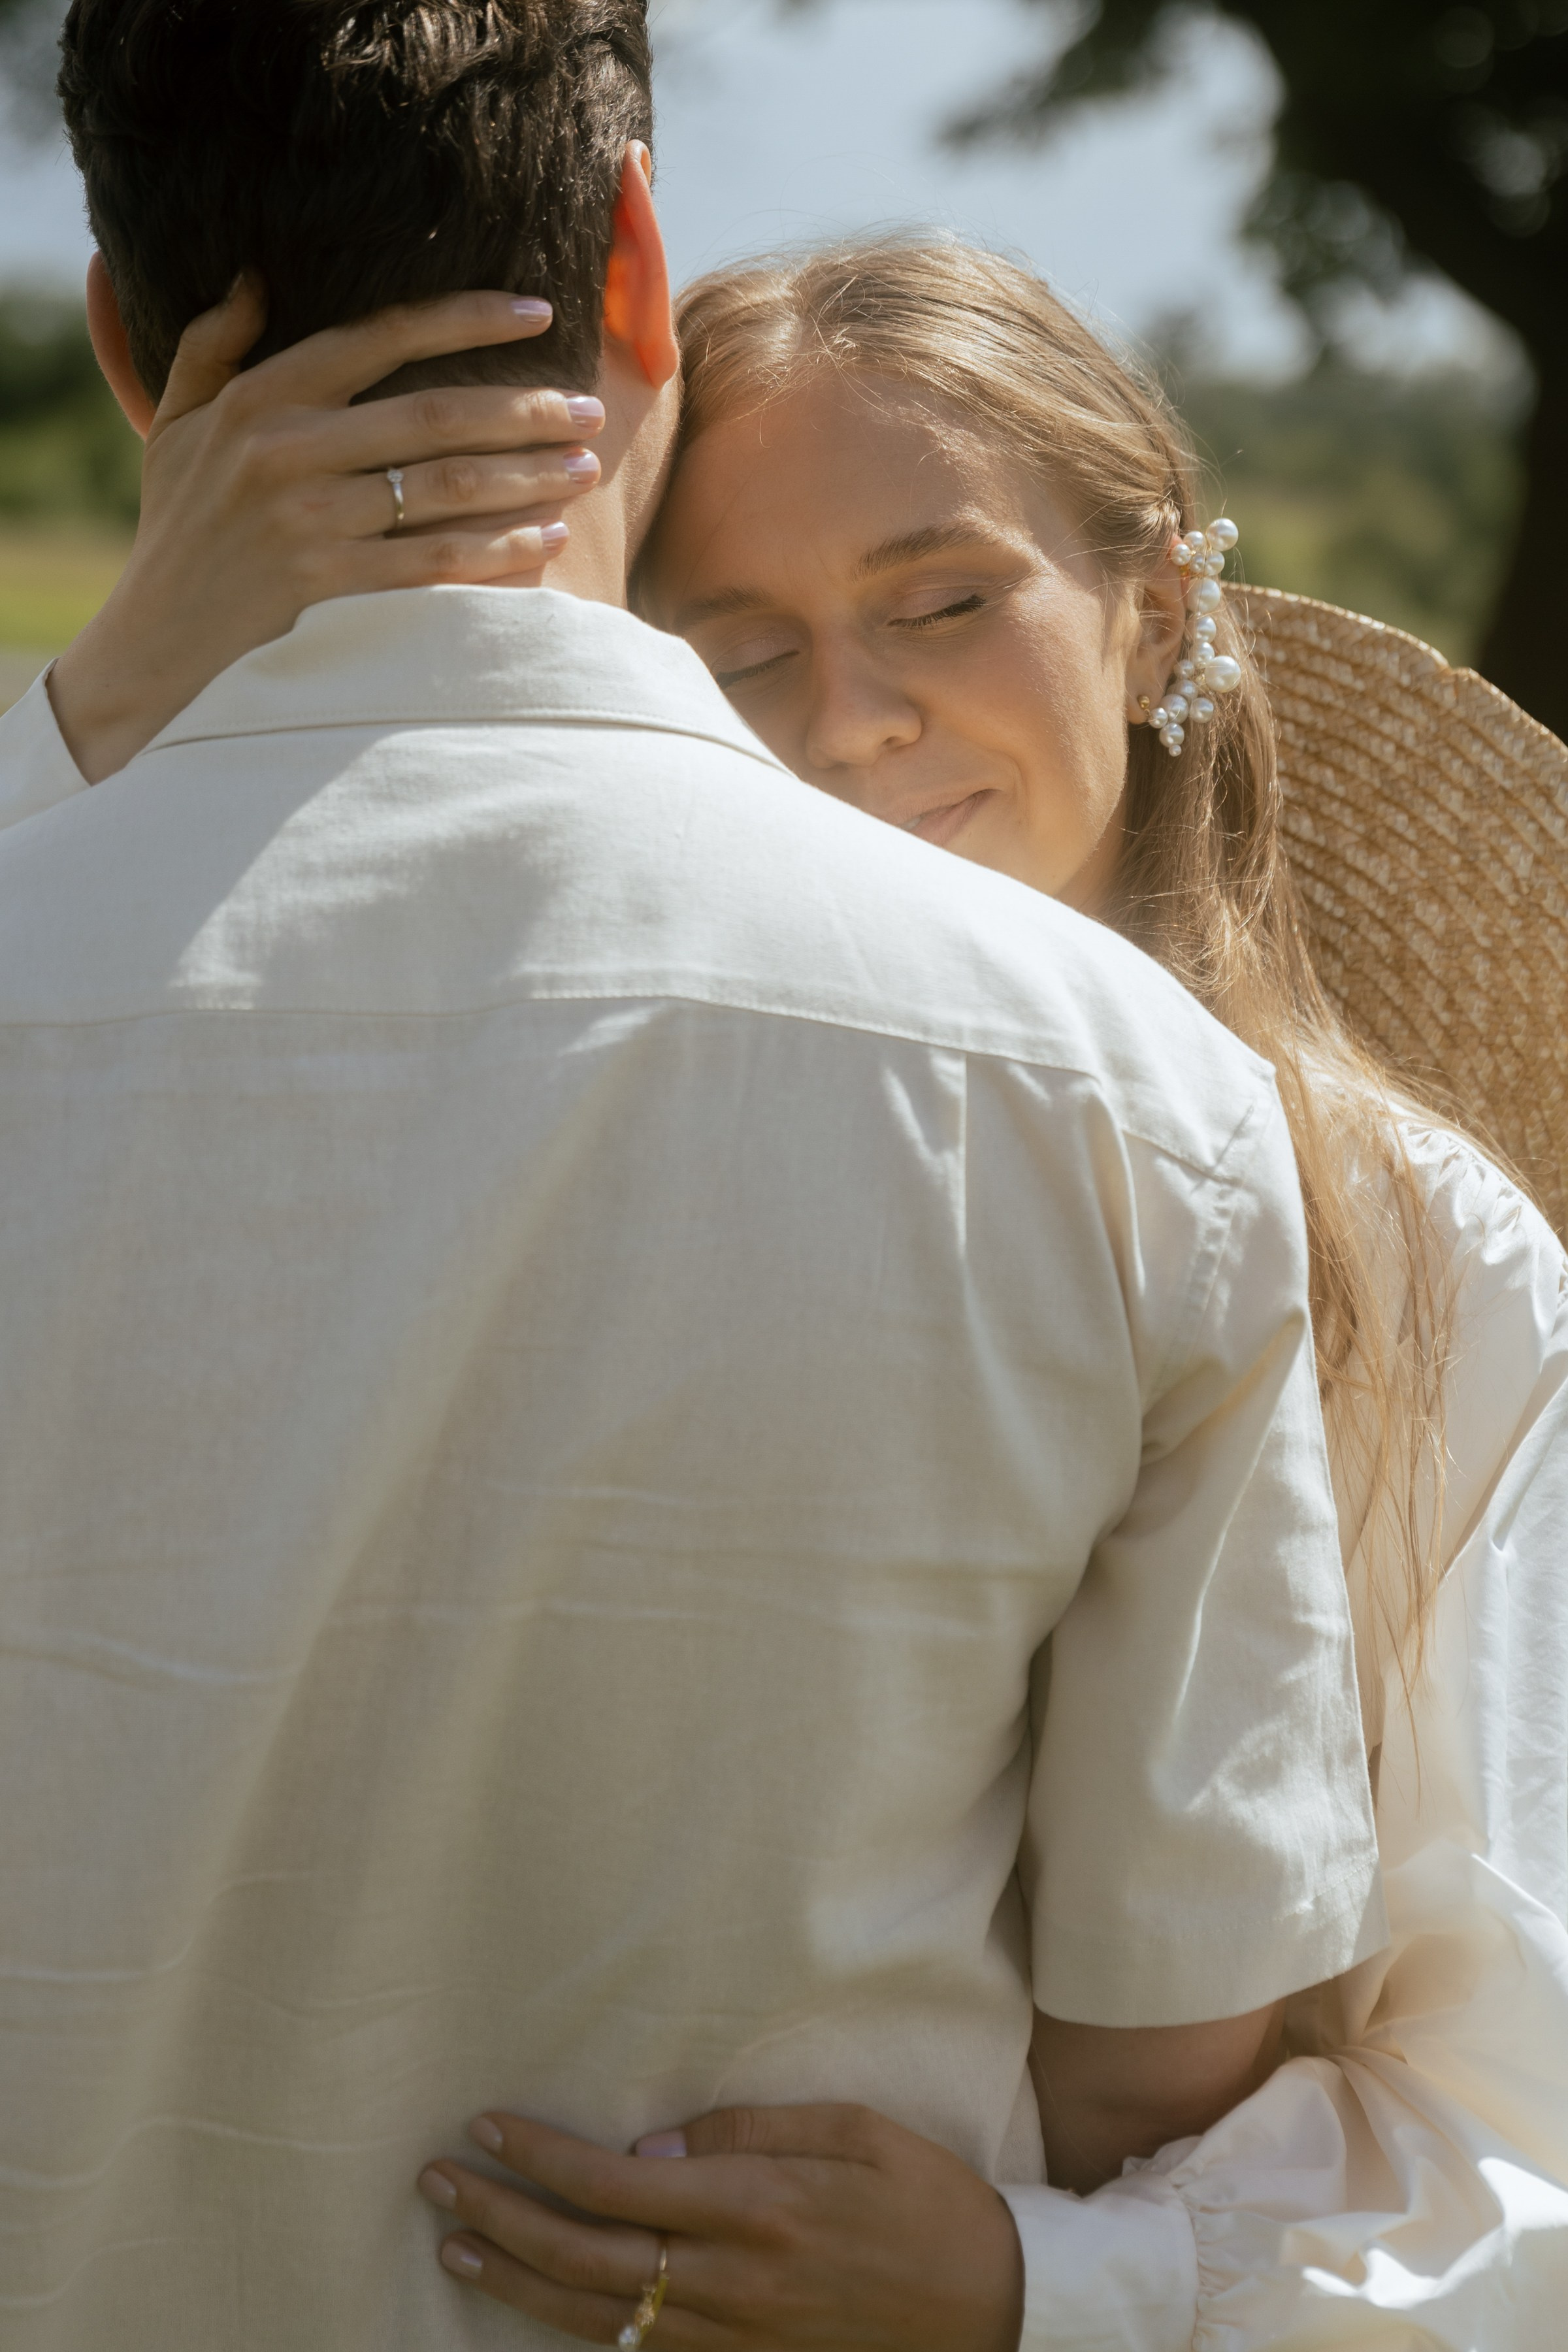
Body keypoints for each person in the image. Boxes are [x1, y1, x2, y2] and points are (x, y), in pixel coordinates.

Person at [15, 188, 1568, 2347]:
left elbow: (1524, 2125)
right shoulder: (569, 1122)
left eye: (942, 601)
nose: (846, 724)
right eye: (734, 645)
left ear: (1155, 606)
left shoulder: (1430, 1264)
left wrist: (1041, 2280)